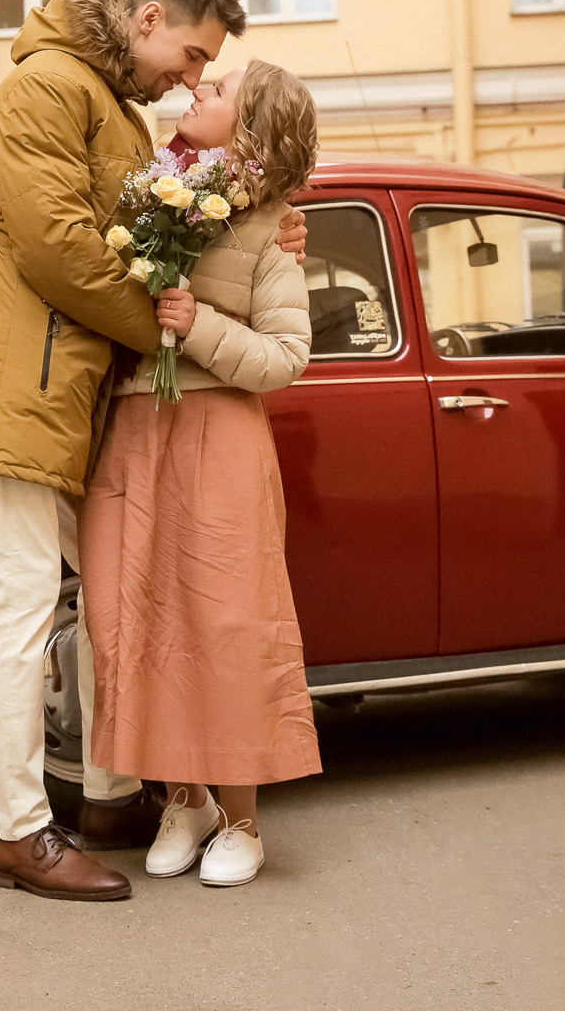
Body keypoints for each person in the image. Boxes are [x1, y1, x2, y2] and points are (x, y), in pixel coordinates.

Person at [0, 0, 244, 902]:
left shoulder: (110, 104)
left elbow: (148, 226)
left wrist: (274, 231)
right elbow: (59, 248)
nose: (190, 79)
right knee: (24, 601)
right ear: (148, 19)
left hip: (68, 385)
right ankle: (21, 834)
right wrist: (164, 329)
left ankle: (110, 797)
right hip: (24, 379)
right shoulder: (44, 85)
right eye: (191, 55)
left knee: (106, 586)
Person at [81, 60, 322, 888]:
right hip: (132, 432)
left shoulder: (273, 228)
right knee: (127, 617)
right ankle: (183, 800)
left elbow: (287, 356)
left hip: (219, 436)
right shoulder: (145, 187)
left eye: (218, 91)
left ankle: (243, 819)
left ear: (249, 131)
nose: (198, 90)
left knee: (226, 622)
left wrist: (199, 324)